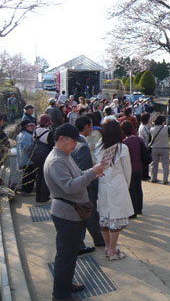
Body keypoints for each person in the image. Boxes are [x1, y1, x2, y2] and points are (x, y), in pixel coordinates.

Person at [44, 123, 105, 301]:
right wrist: (92, 172)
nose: (75, 146)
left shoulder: (65, 155)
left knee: (70, 255)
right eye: (73, 142)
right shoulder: (56, 161)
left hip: (73, 212)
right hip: (66, 213)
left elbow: (78, 175)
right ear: (62, 139)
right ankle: (60, 294)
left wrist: (92, 173)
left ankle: (66, 285)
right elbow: (70, 186)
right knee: (65, 256)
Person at [95, 120, 134, 261]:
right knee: (115, 220)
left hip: (103, 185)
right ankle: (112, 250)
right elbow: (127, 170)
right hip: (117, 186)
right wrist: (126, 185)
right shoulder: (122, 148)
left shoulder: (98, 146)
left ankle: (107, 247)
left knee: (105, 218)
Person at [72, 116, 106, 254]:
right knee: (90, 212)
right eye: (91, 125)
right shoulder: (82, 146)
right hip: (85, 186)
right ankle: (98, 239)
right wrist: (93, 175)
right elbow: (84, 171)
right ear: (86, 126)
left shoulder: (74, 141)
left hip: (76, 185)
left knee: (80, 216)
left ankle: (80, 243)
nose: (92, 128)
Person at [122, 120, 145, 217]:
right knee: (138, 188)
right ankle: (139, 208)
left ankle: (133, 210)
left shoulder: (124, 143)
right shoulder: (139, 139)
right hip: (139, 166)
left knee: (132, 189)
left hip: (130, 168)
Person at [33, 114, 55, 203]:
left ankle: (38, 196)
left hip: (35, 155)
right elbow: (51, 146)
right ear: (47, 123)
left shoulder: (35, 131)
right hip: (45, 156)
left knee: (38, 176)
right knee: (45, 176)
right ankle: (44, 196)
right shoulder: (48, 132)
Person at [16, 120, 36, 194]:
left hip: (23, 159)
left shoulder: (21, 134)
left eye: (31, 126)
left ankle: (25, 190)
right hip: (28, 159)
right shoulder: (26, 136)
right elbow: (29, 147)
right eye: (29, 126)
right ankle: (27, 191)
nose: (31, 127)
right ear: (25, 127)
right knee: (29, 176)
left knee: (26, 175)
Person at [149, 115, 170, 184]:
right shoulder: (166, 128)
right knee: (165, 164)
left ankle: (153, 178)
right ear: (163, 121)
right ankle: (165, 179)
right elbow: (168, 136)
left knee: (154, 164)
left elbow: (150, 139)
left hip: (155, 148)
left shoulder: (151, 129)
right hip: (165, 147)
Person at [138, 112, 152, 180]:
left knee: (145, 162)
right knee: (145, 162)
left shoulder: (142, 125)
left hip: (143, 144)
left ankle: (145, 175)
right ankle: (144, 176)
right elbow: (148, 137)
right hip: (145, 145)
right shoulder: (144, 127)